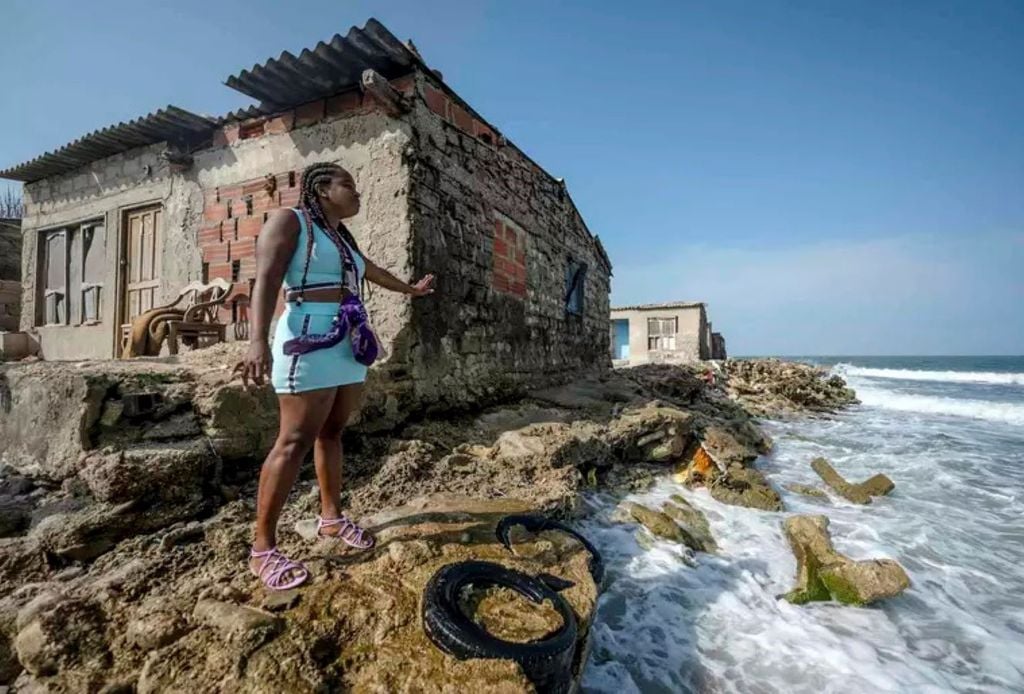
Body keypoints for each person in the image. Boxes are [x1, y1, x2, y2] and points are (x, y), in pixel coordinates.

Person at [236, 161, 435, 590]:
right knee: (292, 441)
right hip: (307, 337)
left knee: (332, 432)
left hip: (348, 337)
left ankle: (330, 519)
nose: (358, 193)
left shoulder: (341, 238)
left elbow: (372, 272)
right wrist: (256, 341)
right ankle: (262, 548)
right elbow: (266, 280)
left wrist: (411, 290)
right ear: (323, 188)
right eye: (350, 185)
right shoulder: (290, 222)